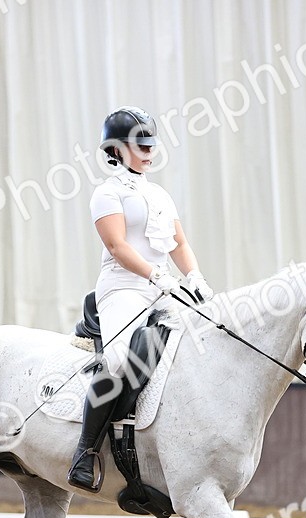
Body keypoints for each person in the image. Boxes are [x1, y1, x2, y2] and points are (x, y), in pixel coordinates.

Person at [66, 106, 213, 491]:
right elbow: (117, 246)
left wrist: (194, 275)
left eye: (151, 144)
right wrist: (156, 274)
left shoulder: (160, 194)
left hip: (164, 288)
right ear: (116, 148)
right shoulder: (107, 193)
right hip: (123, 287)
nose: (148, 151)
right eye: (139, 144)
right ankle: (85, 451)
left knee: (206, 338)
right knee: (116, 361)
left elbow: (179, 242)